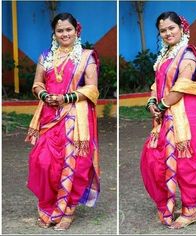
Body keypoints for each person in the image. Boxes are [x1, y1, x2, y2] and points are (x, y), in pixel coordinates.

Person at [140, 11, 196, 229]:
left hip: (187, 114)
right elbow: (156, 85)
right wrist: (152, 103)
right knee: (154, 157)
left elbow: (181, 86)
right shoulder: (166, 56)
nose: (168, 33)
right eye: (163, 30)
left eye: (171, 28)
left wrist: (160, 105)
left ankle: (191, 209)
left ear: (182, 28)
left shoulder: (188, 54)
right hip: (166, 113)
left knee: (187, 161)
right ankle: (171, 199)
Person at [25, 12, 100, 231]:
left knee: (75, 163)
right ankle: (48, 206)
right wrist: (44, 95)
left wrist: (66, 98)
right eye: (60, 30)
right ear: (54, 33)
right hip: (49, 116)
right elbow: (37, 83)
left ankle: (67, 211)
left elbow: (92, 88)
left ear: (76, 31)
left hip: (76, 118)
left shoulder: (87, 56)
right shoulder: (46, 56)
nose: (64, 34)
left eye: (68, 29)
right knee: (43, 161)